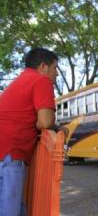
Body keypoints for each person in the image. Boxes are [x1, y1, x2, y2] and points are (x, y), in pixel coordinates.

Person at [0, 48, 59, 216]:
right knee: (9, 209)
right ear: (43, 67)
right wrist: (58, 128)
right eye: (55, 68)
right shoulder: (40, 80)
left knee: (16, 207)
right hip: (10, 153)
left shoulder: (21, 80)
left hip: (5, 152)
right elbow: (45, 121)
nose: (57, 74)